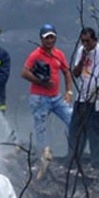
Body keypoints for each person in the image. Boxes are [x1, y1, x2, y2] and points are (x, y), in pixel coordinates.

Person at [21, 24, 73, 158]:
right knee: (41, 127)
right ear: (41, 39)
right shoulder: (36, 54)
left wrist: (69, 91)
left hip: (56, 97)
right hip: (39, 97)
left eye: (51, 37)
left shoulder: (59, 54)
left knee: (72, 119)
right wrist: (42, 82)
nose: (49, 41)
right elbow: (25, 73)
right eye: (46, 38)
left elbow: (67, 72)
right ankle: (43, 155)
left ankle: (74, 151)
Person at [69, 28, 99, 170]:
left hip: (98, 98)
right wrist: (82, 58)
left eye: (88, 41)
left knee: (96, 133)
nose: (85, 44)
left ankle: (98, 164)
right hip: (82, 97)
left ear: (94, 40)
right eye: (83, 41)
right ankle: (73, 161)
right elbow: (75, 73)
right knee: (76, 131)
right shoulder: (81, 51)